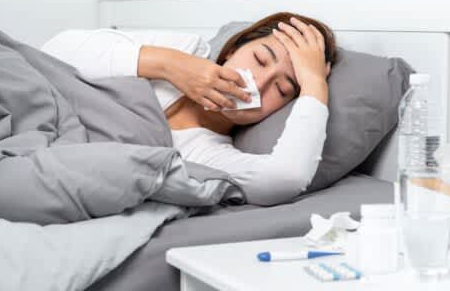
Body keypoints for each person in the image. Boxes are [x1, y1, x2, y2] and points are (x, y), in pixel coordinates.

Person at [42, 12, 336, 205]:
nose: (257, 85)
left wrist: (313, 85)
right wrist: (169, 65)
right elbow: (53, 51)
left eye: (282, 89)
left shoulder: (209, 156)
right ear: (233, 49)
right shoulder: (187, 51)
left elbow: (286, 177)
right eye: (259, 60)